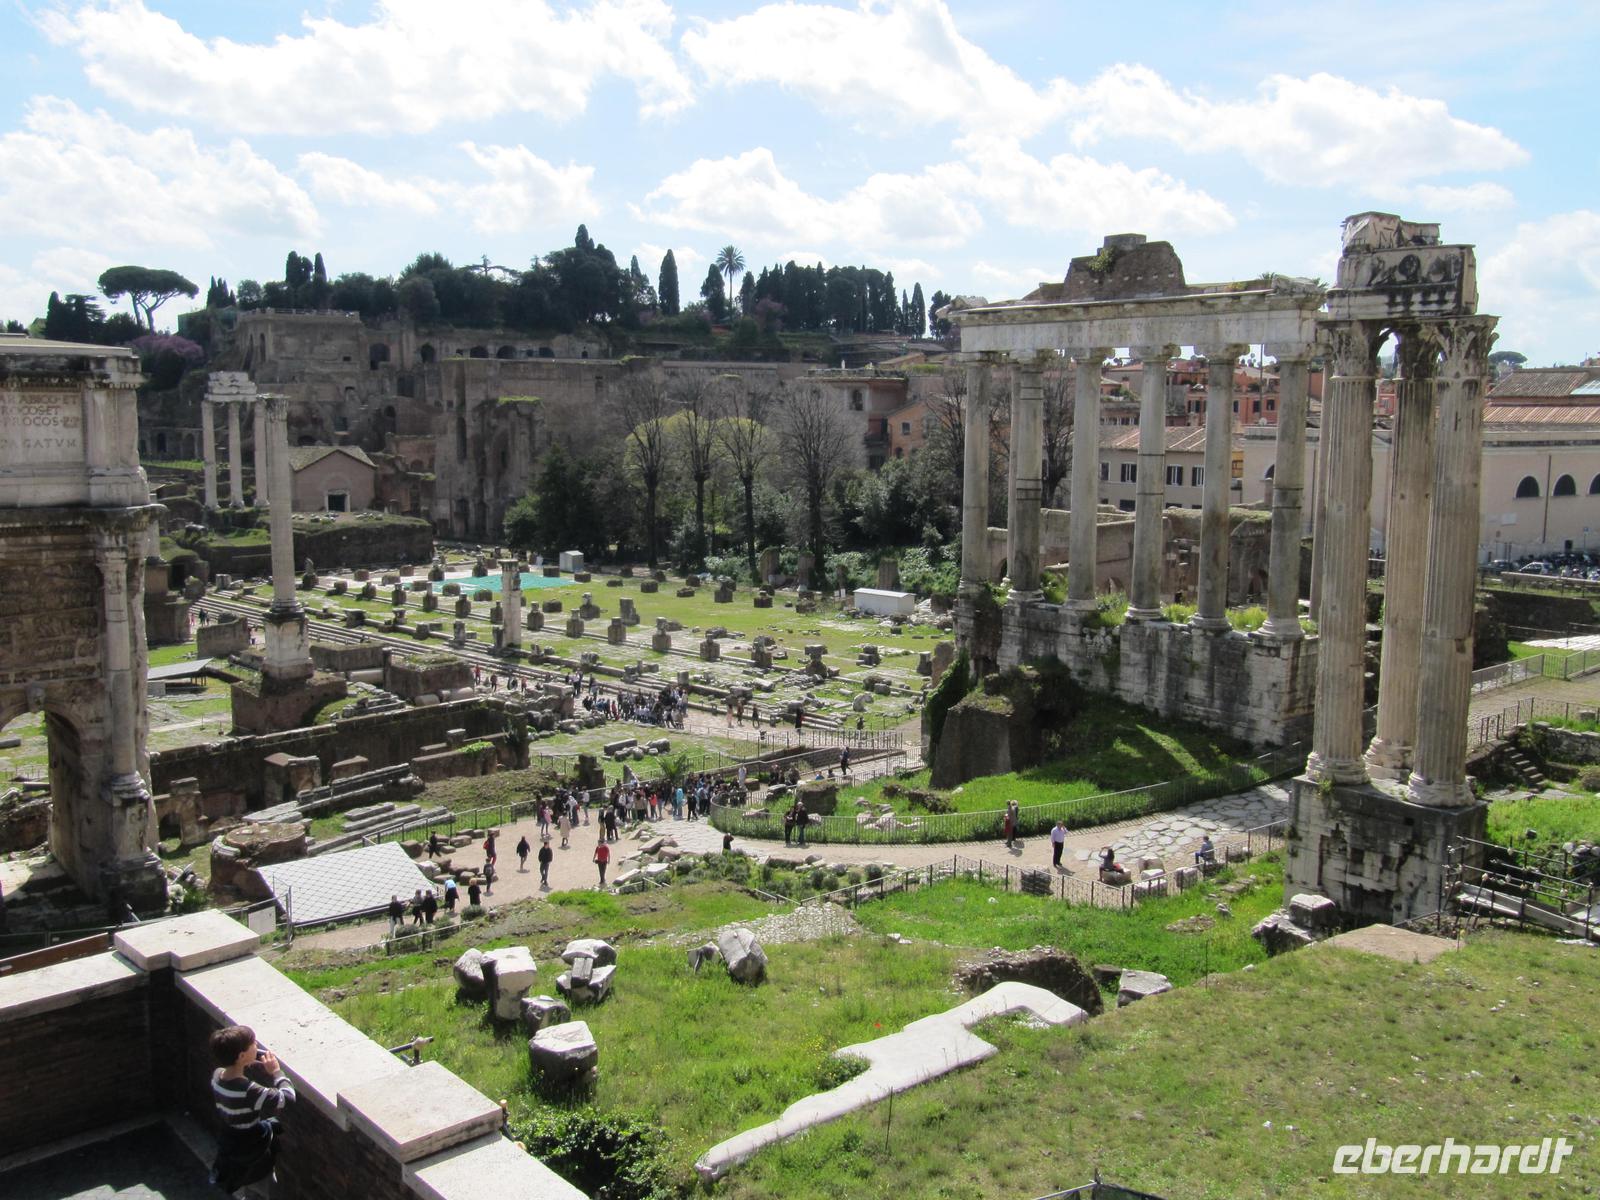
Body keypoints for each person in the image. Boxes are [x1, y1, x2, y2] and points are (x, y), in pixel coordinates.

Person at [208, 1024, 295, 1194]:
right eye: (253, 1043)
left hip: (231, 1143)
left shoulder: (217, 1076)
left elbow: (235, 1069)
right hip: (252, 1149)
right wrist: (276, 1072)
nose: (257, 1045)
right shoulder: (248, 1091)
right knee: (265, 1187)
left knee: (246, 1182)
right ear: (241, 1056)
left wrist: (250, 1060)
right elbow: (287, 1097)